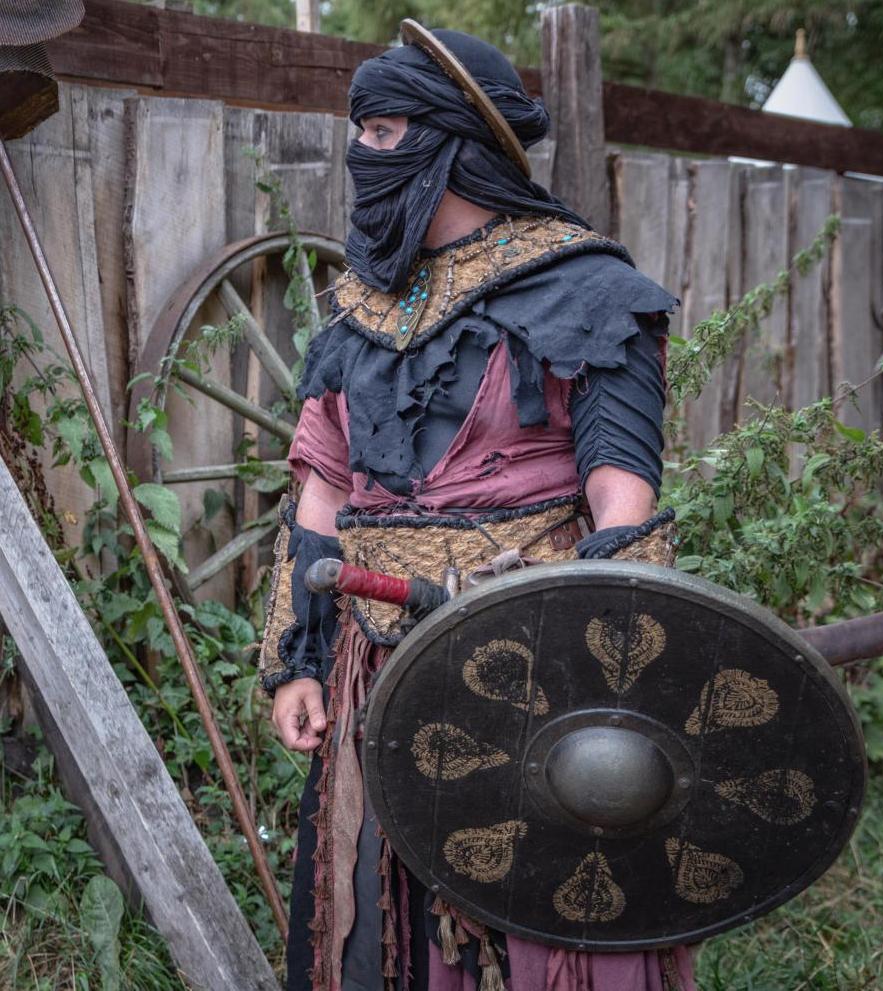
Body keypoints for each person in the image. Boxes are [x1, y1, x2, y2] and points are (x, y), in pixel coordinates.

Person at [258, 21, 695, 991]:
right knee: (377, 924)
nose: (361, 151)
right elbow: (323, 491)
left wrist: (613, 662)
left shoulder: (586, 289)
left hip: (535, 665)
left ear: (449, 143)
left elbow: (621, 494)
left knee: (542, 907)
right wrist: (298, 663)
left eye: (382, 131)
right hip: (376, 669)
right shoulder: (362, 312)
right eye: (360, 130)